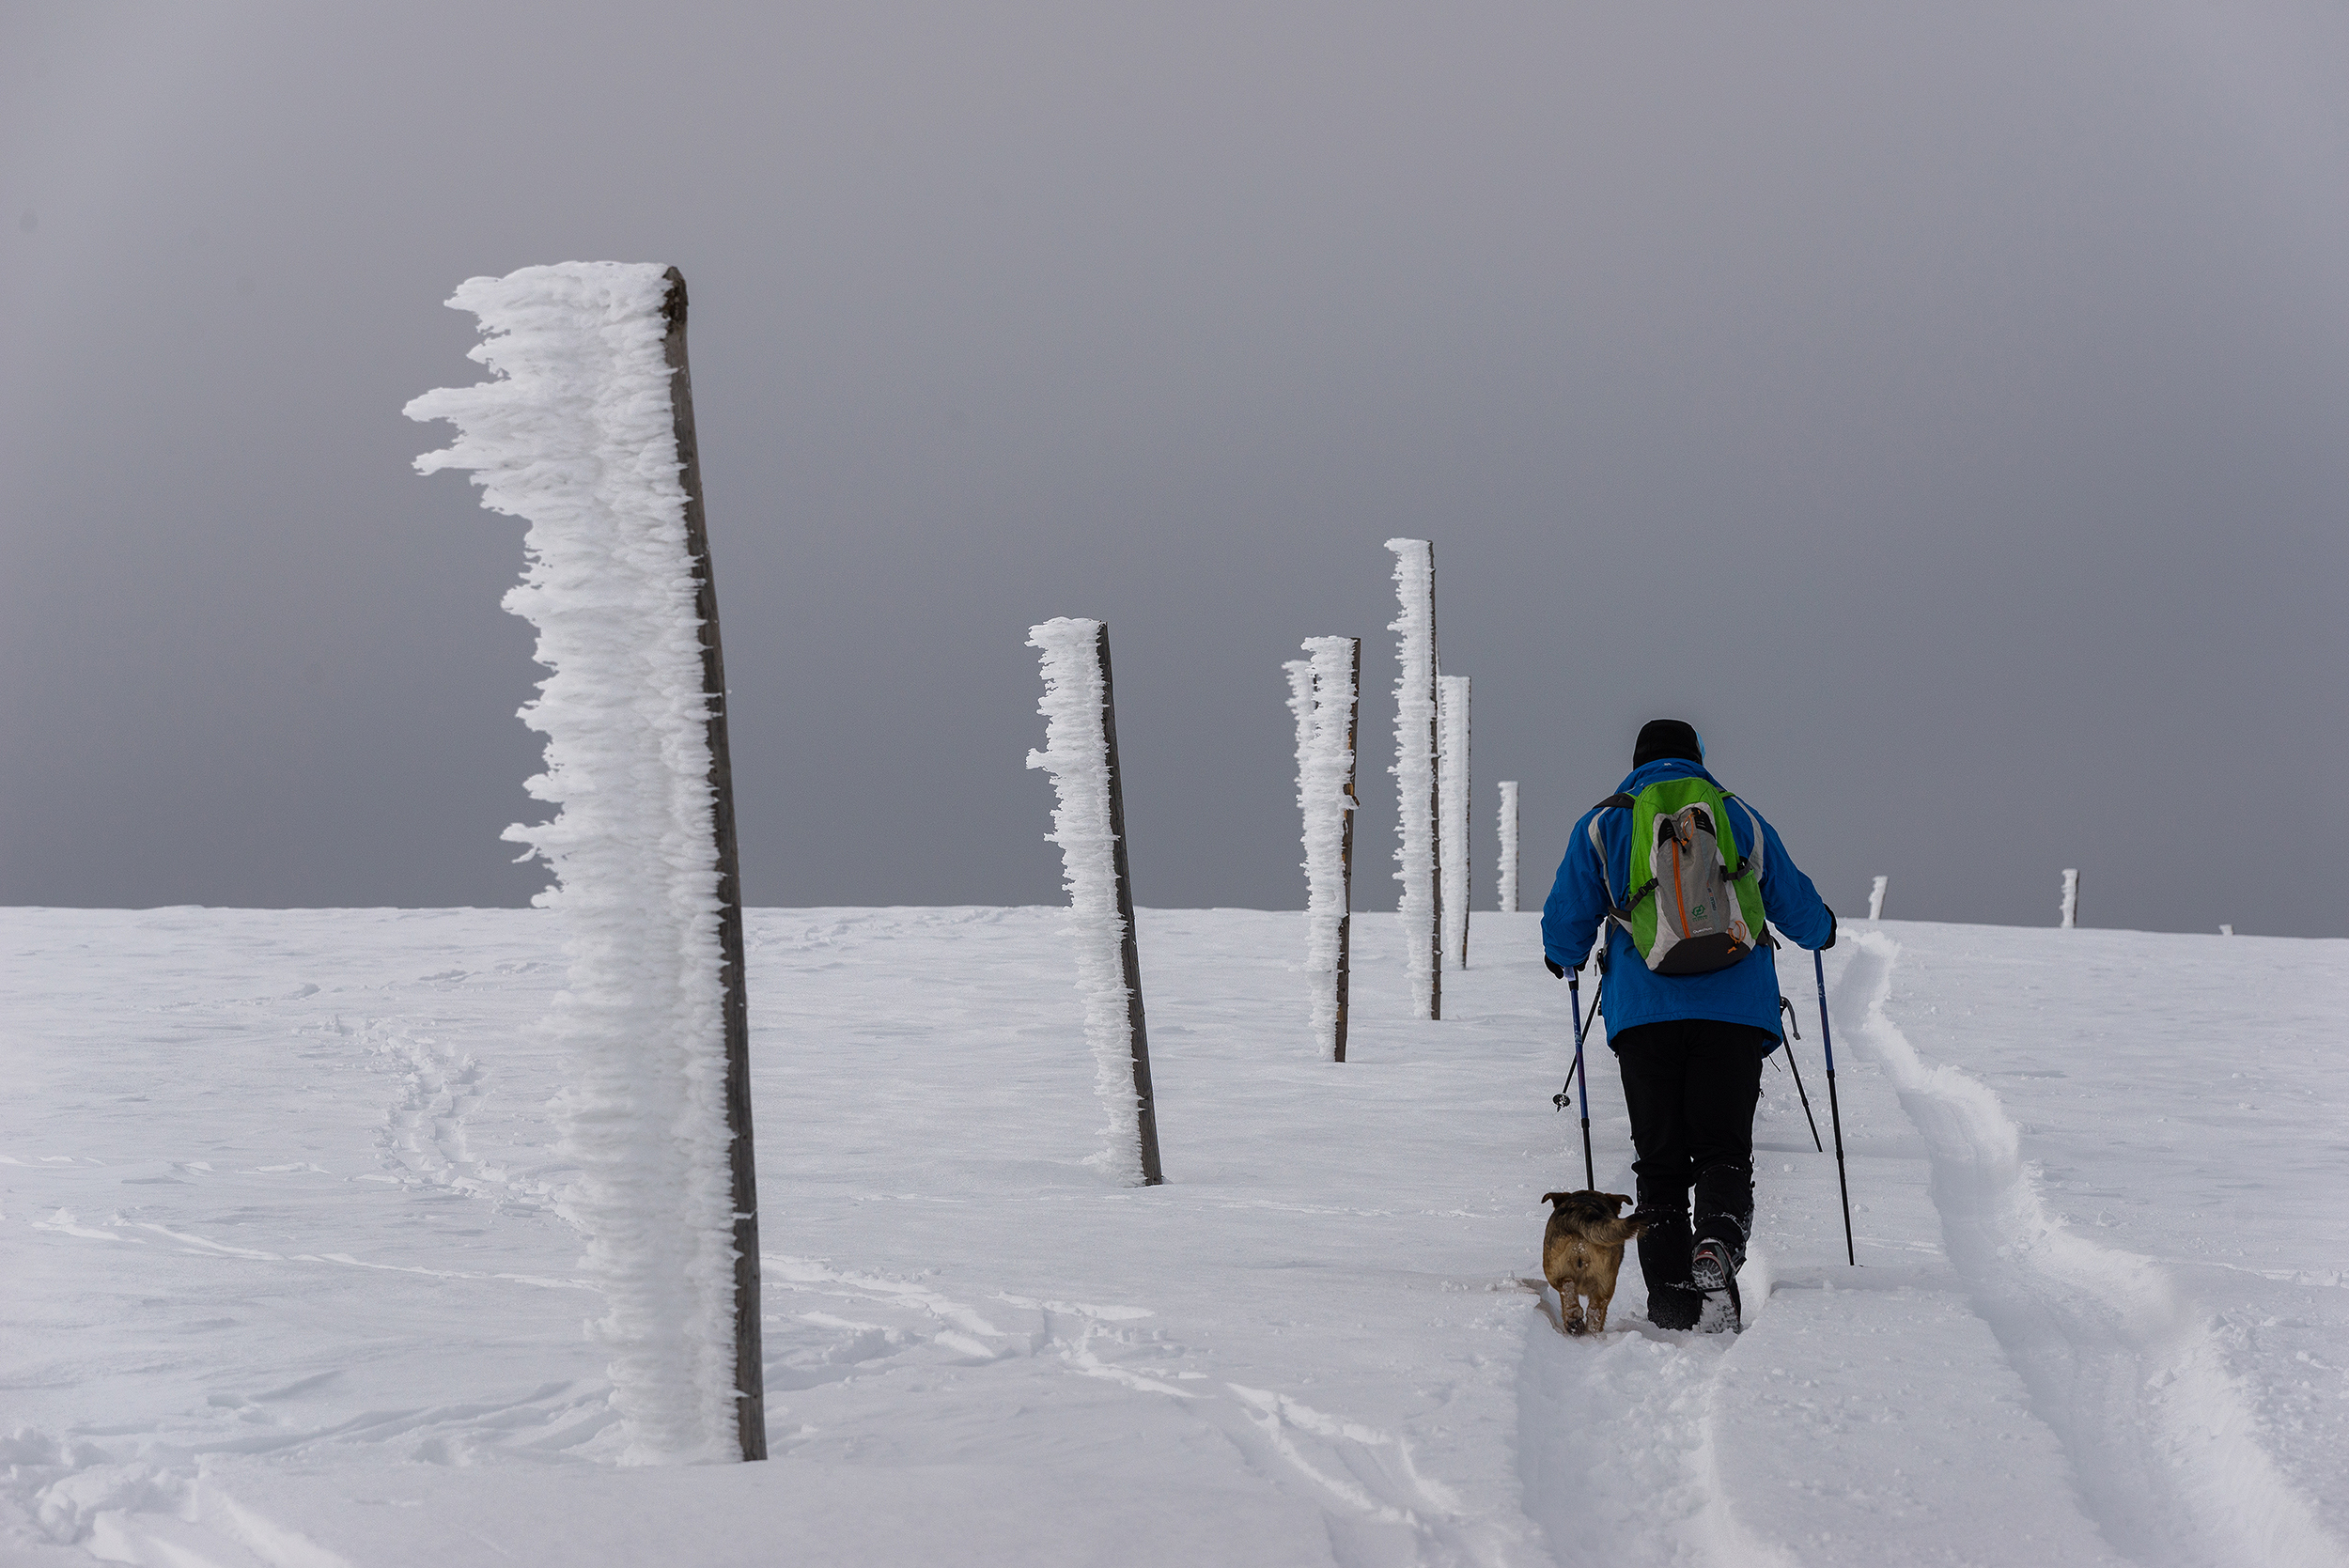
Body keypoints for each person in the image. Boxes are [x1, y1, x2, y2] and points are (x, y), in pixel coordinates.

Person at [1541, 719, 1834, 1331]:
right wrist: (1823, 928)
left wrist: (1563, 955)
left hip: (1644, 1018)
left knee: (1660, 1158)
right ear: (1698, 758)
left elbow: (1566, 919)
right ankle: (1718, 1245)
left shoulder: (1606, 821)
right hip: (1733, 1011)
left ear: (1637, 760)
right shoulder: (1738, 816)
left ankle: (1672, 1297)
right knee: (1724, 1147)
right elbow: (1797, 906)